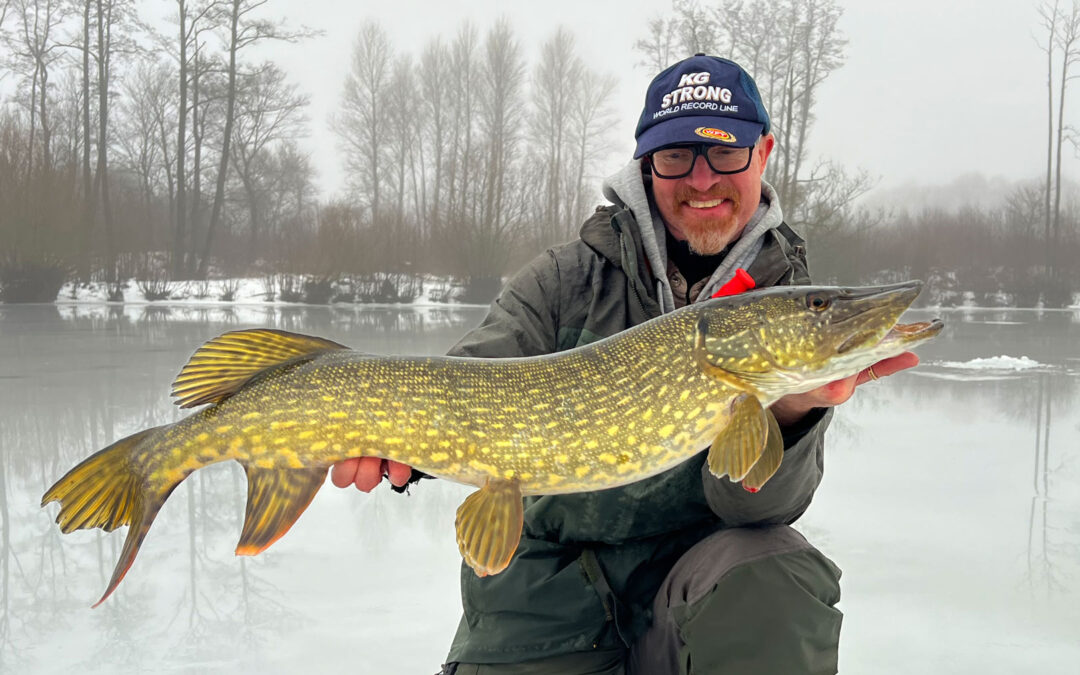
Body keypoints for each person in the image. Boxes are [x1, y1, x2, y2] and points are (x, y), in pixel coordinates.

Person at [332, 54, 917, 674]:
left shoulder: (781, 301)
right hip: (542, 604)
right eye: (675, 157)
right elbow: (475, 376)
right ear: (645, 165)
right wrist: (408, 450)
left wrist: (792, 410)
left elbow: (754, 511)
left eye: (724, 153)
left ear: (763, 153)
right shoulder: (563, 280)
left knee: (776, 570)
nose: (702, 180)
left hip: (694, 605)